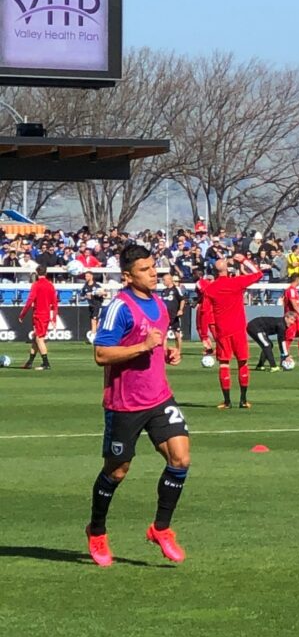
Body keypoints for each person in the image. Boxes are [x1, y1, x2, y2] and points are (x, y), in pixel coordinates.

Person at [86, 243, 191, 567]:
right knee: (117, 471)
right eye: (145, 270)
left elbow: (153, 347)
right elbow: (101, 354)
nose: (153, 274)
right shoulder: (119, 307)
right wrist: (144, 346)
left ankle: (161, 528)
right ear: (128, 276)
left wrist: (165, 353)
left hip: (159, 397)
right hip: (125, 404)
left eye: (153, 267)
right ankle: (97, 531)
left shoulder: (159, 302)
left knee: (181, 458)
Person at [198, 253, 267, 409]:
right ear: (227, 269)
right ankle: (243, 400)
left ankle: (227, 401)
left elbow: (204, 313)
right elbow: (258, 274)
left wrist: (204, 335)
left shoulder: (210, 289)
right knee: (242, 362)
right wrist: (244, 260)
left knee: (224, 364)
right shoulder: (236, 282)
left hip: (222, 331)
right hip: (238, 329)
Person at [24, 261, 59, 371]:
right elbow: (55, 302)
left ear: (36, 272)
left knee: (39, 339)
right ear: (46, 272)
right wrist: (53, 318)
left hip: (39, 315)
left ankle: (46, 363)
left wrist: (22, 314)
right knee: (36, 339)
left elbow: (30, 300)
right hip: (46, 315)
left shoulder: (36, 285)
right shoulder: (50, 285)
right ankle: (29, 362)